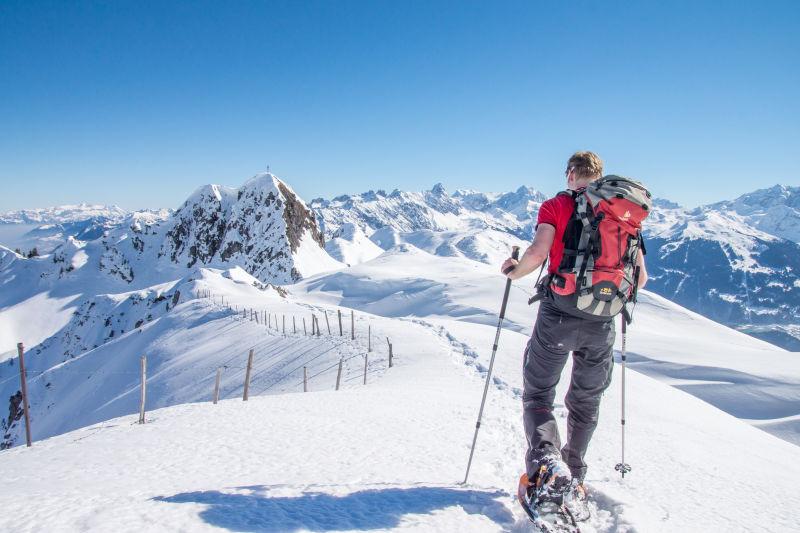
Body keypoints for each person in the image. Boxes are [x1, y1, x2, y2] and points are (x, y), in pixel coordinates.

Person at [501, 151, 648, 499]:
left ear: (570, 174)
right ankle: (575, 474)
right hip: (603, 322)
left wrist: (513, 270)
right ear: (599, 176)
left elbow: (537, 254)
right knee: (586, 400)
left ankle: (548, 464)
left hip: (559, 315)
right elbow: (640, 278)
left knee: (538, 393)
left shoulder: (556, 206)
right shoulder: (622, 213)